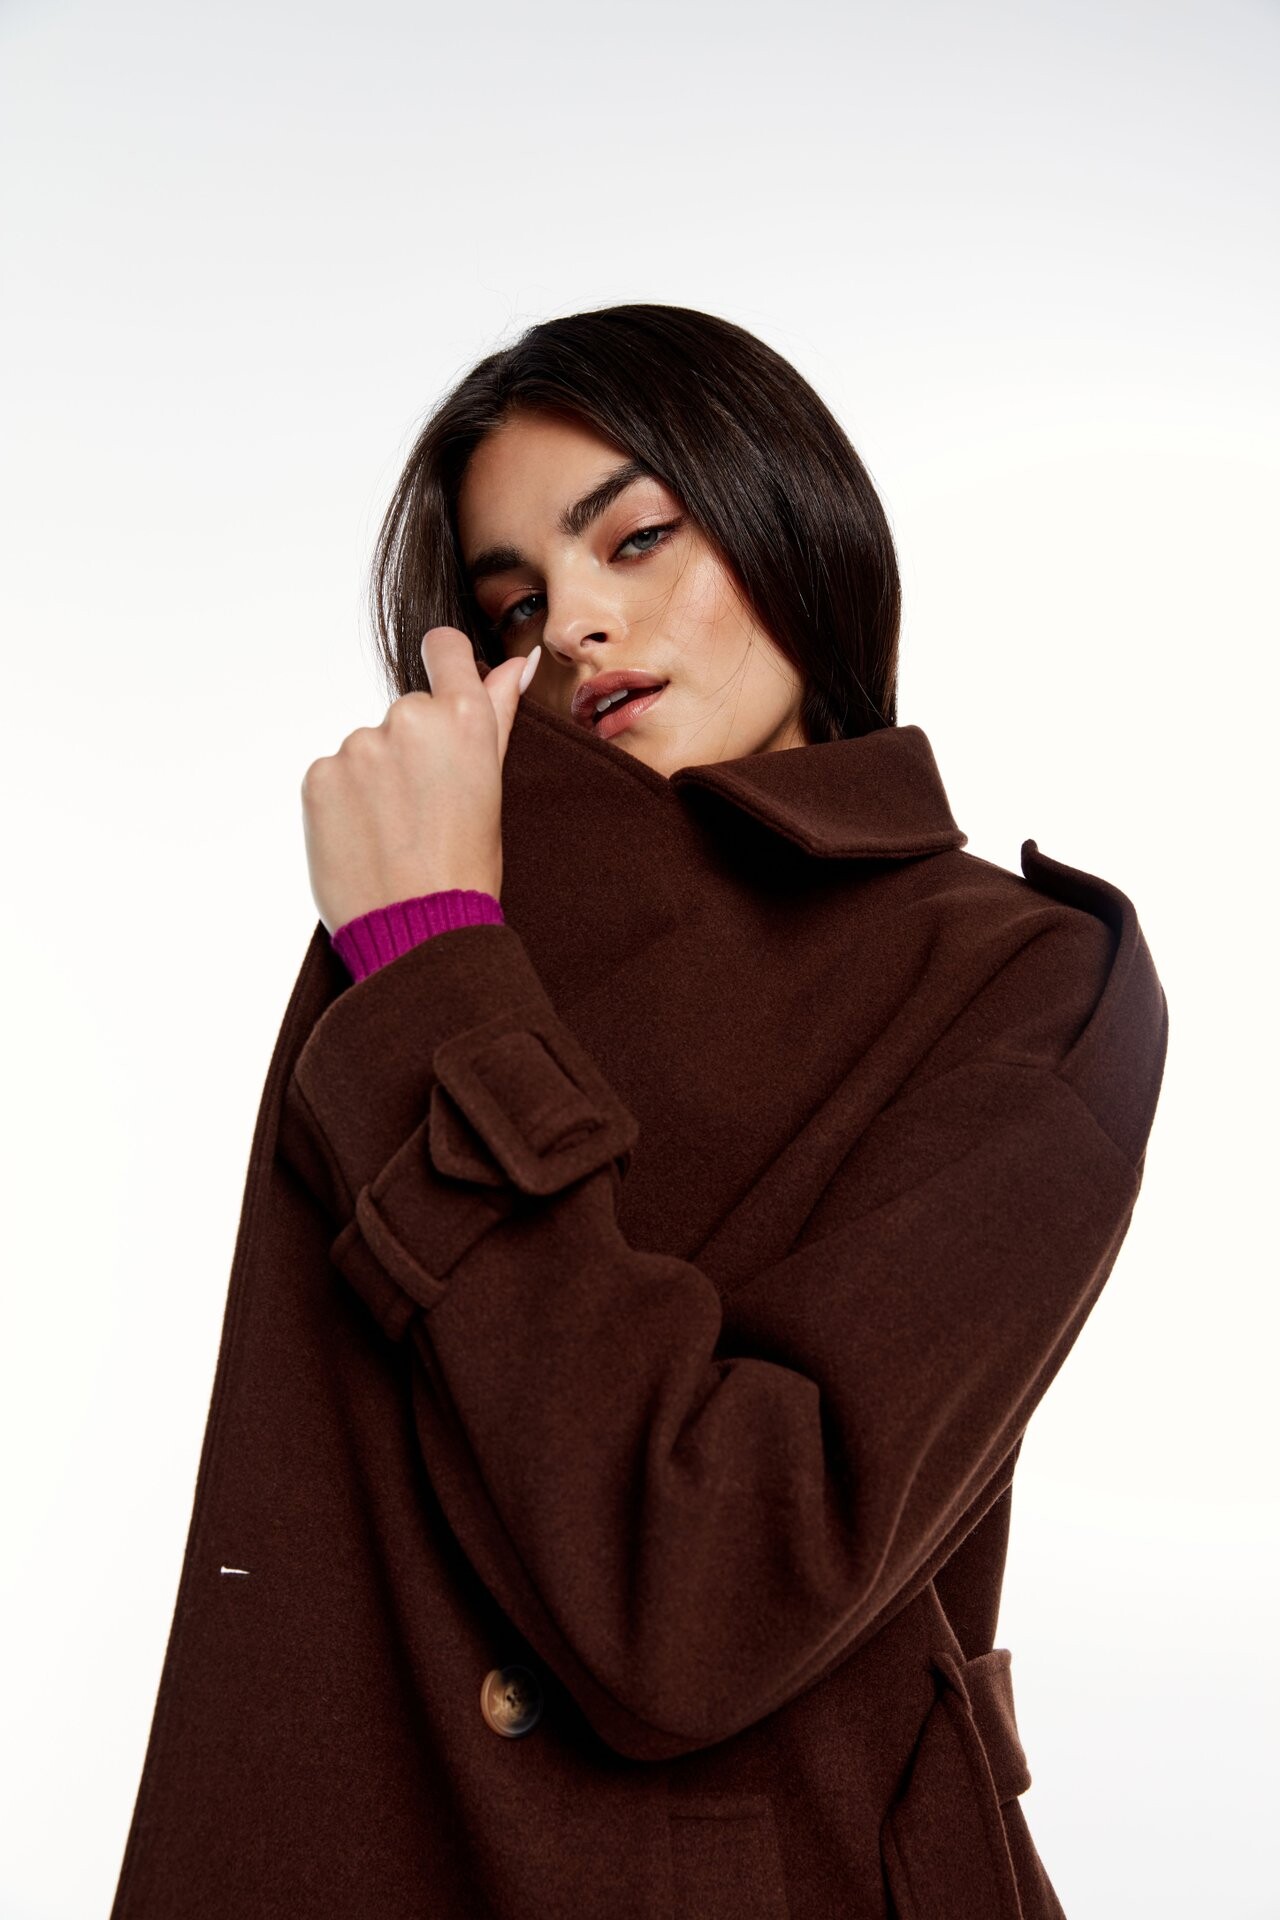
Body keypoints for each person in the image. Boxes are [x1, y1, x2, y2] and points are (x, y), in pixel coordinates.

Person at [110, 304, 1168, 1920]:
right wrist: (431, 949)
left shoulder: (1020, 976)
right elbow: (303, 1567)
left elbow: (704, 1597)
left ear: (786, 513)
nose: (579, 626)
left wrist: (436, 968)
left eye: (638, 537)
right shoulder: (432, 921)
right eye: (515, 605)